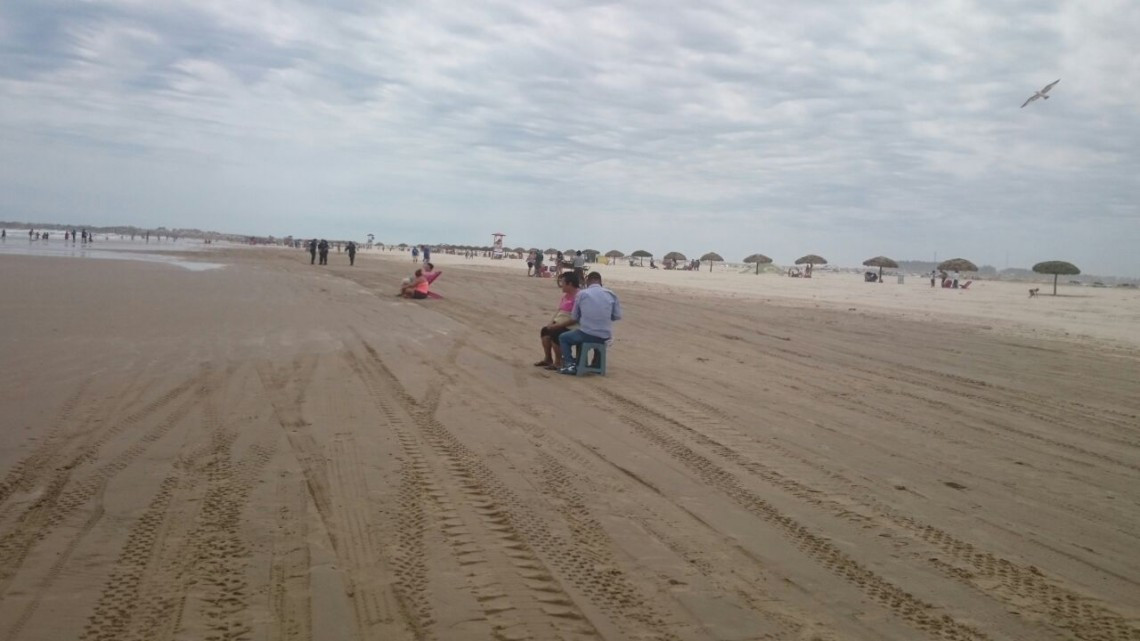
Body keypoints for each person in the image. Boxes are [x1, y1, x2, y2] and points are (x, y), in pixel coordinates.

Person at [559, 272, 622, 375]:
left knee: (564, 338)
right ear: (600, 282)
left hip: (587, 334)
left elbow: (575, 316)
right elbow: (617, 316)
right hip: (605, 336)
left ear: (588, 281)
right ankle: (596, 364)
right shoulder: (611, 294)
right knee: (598, 335)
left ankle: (570, 365)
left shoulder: (582, 294)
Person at [535, 272, 581, 370]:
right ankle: (548, 358)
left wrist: (557, 325)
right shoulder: (565, 296)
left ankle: (558, 362)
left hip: (572, 325)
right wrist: (551, 322)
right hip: (560, 321)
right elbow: (559, 310)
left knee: (556, 333)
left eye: (563, 283)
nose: (561, 285)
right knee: (545, 331)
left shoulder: (579, 296)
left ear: (570, 284)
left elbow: (575, 318)